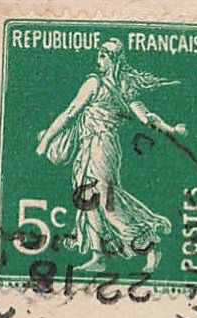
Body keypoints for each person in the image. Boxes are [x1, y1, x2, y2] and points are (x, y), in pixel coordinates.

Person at [34, 40, 185, 273]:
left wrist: (171, 129)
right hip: (87, 147)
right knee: (87, 199)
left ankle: (151, 244)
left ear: (113, 59)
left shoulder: (107, 86)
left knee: (106, 200)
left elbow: (147, 117)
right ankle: (98, 256)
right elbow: (72, 111)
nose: (98, 60)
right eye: (99, 55)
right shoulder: (100, 83)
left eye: (103, 56)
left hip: (103, 147)